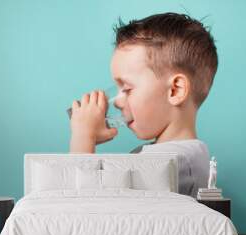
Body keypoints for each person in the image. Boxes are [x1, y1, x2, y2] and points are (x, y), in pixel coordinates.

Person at [69, 12, 217, 197]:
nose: (118, 101)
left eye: (128, 89)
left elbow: (89, 207)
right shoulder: (173, 156)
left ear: (175, 90)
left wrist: (83, 137)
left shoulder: (170, 163)